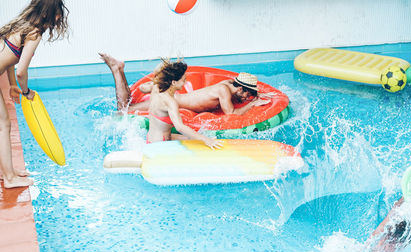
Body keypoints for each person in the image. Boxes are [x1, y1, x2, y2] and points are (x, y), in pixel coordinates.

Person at [0, 0, 69, 188]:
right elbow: (22, 69)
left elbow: (9, 59)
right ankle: (9, 179)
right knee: (3, 125)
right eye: (57, 12)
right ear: (47, 12)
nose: (59, 16)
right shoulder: (34, 33)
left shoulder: (22, 24)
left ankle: (7, 171)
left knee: (2, 124)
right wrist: (26, 91)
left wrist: (13, 84)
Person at [99, 53, 271, 114]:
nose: (247, 98)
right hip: (170, 101)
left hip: (175, 98)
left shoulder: (230, 84)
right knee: (124, 110)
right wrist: (253, 105)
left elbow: (242, 90)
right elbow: (231, 114)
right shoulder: (224, 91)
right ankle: (117, 69)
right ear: (240, 87)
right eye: (248, 94)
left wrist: (257, 94)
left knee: (129, 105)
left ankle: (145, 82)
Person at [145, 58, 222, 149]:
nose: (185, 83)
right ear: (173, 82)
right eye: (183, 80)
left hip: (154, 139)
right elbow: (180, 127)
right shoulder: (170, 101)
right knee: (199, 144)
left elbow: (146, 85)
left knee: (191, 140)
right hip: (159, 145)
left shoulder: (156, 87)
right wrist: (206, 140)